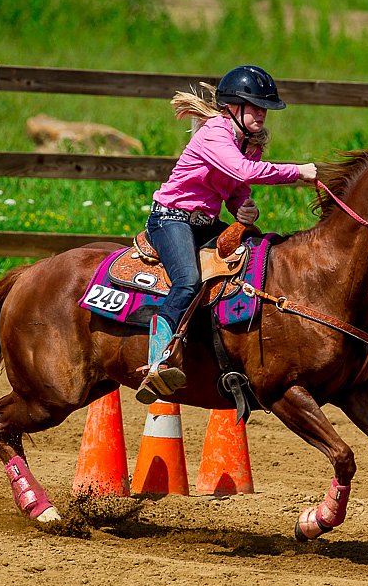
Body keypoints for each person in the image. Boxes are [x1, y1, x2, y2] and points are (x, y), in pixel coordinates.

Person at [136, 65, 318, 403]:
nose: (262, 114)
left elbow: (235, 186)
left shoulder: (249, 143)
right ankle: (156, 362)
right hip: (171, 220)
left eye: (265, 108)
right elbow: (240, 170)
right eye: (256, 107)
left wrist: (242, 209)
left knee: (257, 256)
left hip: (204, 222)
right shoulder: (214, 134)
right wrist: (299, 171)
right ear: (233, 107)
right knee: (187, 281)